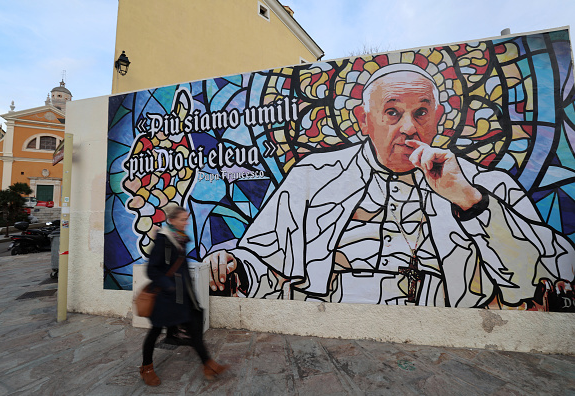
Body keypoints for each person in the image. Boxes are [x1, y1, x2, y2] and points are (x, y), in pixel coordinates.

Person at [204, 63, 575, 310]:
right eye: (393, 112)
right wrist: (235, 266)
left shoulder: (485, 185)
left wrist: (469, 201)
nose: (410, 128)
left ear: (439, 118)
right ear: (365, 120)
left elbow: (540, 273)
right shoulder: (313, 175)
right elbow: (268, 259)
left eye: (422, 112)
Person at [140, 206, 228, 386]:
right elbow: (152, 270)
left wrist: (190, 293)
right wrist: (169, 286)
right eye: (182, 219)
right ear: (171, 221)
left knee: (195, 331)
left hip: (183, 297)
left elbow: (181, 269)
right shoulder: (163, 241)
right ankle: (146, 368)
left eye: (186, 219)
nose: (186, 222)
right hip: (165, 298)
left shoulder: (180, 239)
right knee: (155, 331)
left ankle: (208, 364)